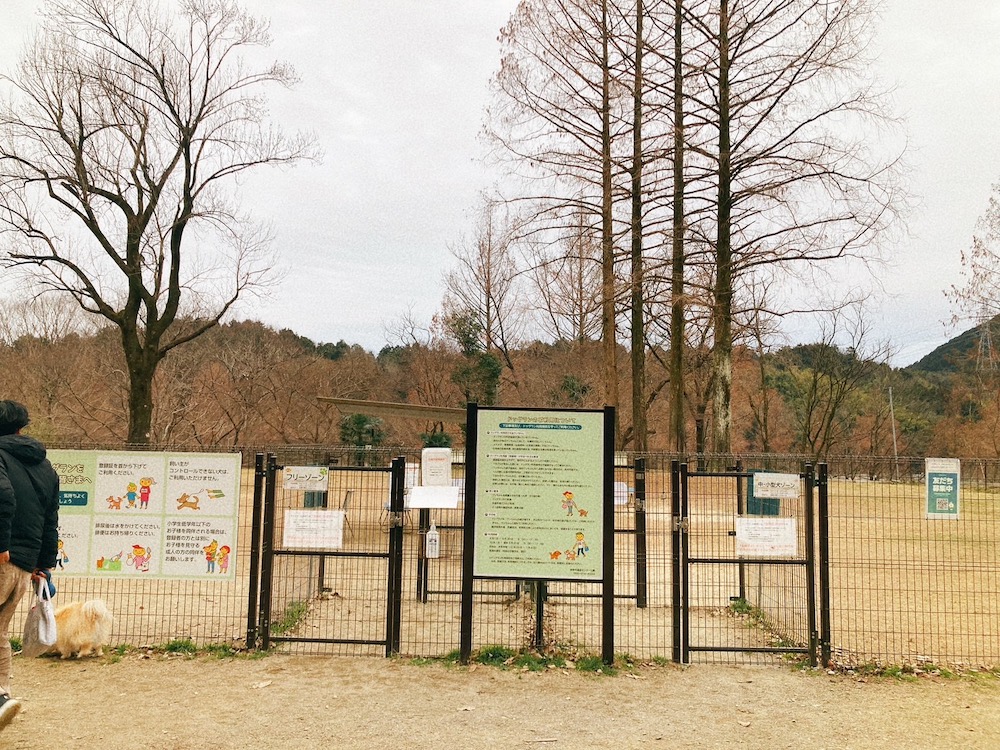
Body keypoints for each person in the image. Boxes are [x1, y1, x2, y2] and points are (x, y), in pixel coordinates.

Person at [0, 401, 59, 731]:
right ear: (22, 427)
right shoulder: (44, 467)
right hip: (24, 569)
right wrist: (43, 566)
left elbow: (3, 496)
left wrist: (1, 545)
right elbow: (51, 521)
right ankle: (4, 698)